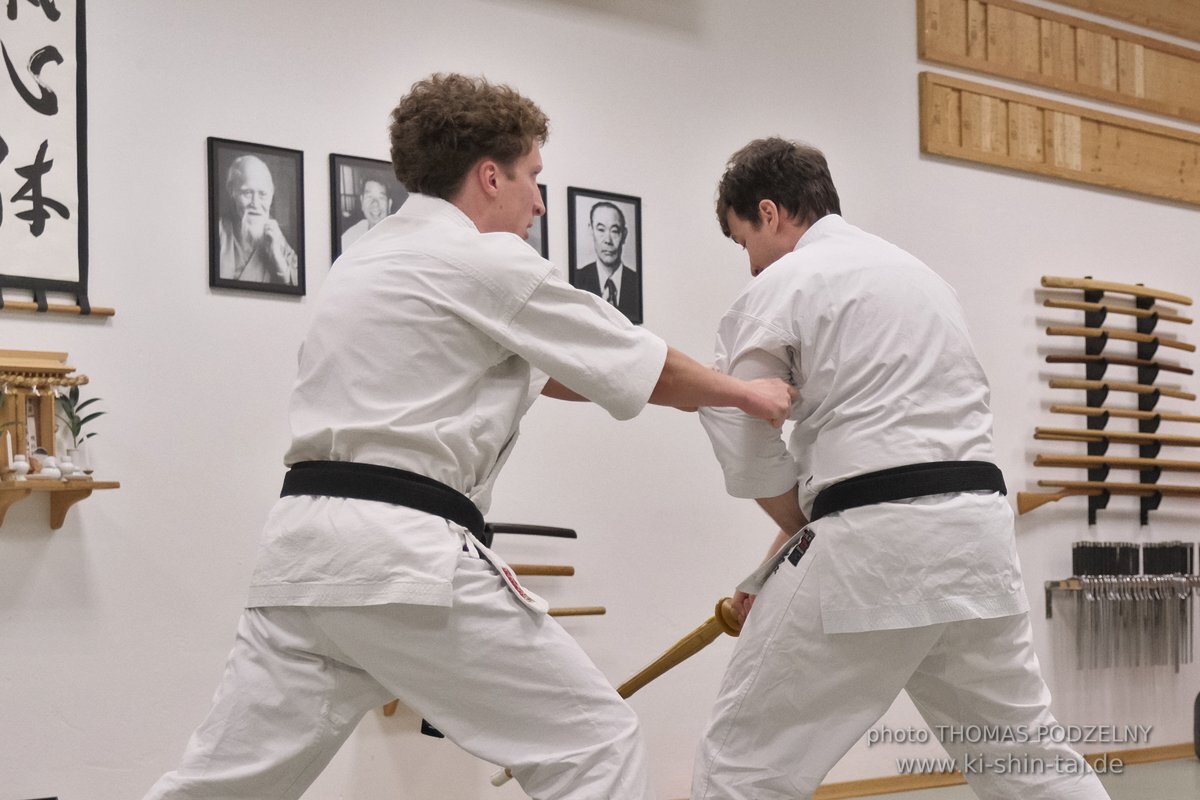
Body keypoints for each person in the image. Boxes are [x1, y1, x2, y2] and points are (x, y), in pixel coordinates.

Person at [143, 75, 795, 800]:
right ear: (491, 175)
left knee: (222, 786)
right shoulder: (487, 261)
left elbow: (559, 369)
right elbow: (636, 361)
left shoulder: (364, 260)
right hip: (403, 558)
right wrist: (746, 391)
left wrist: (664, 381)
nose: (541, 204)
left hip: (300, 562)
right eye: (534, 179)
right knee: (594, 742)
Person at [691, 138, 1111, 800]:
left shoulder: (782, 283)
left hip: (872, 548)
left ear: (769, 214)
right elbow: (895, 441)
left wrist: (795, 528)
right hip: (978, 539)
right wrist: (779, 560)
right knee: (1027, 760)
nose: (750, 264)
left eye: (744, 241)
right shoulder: (923, 278)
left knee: (744, 766)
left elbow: (737, 428)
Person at [218, 154, 299, 285]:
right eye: (247, 193)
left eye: (262, 194)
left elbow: (300, 287)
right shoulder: (219, 232)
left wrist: (277, 257)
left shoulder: (278, 239)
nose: (255, 203)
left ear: (272, 195)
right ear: (231, 190)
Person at [573, 201, 641, 321]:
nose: (608, 240)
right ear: (591, 230)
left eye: (614, 231)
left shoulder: (636, 282)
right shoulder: (578, 279)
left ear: (624, 235)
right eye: (601, 230)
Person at [340, 177, 393, 251]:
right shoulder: (350, 237)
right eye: (369, 197)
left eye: (381, 198)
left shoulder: (400, 238)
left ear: (389, 204)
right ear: (362, 202)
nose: (375, 203)